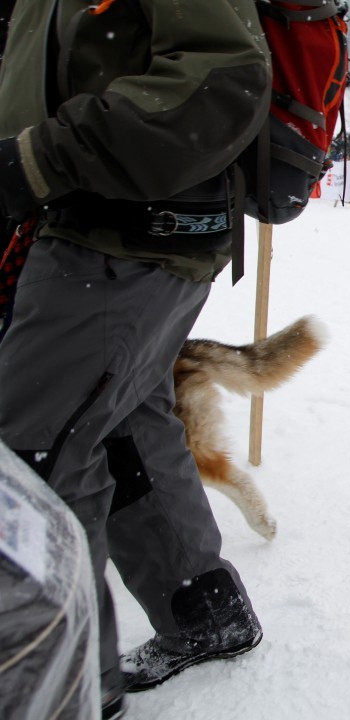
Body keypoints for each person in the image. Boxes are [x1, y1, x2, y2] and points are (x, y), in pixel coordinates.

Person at [0, 1, 271, 715]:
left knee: (28, 472)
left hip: (118, 233)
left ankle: (59, 684)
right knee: (123, 427)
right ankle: (202, 614)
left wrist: (30, 160)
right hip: (119, 231)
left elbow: (222, 76)